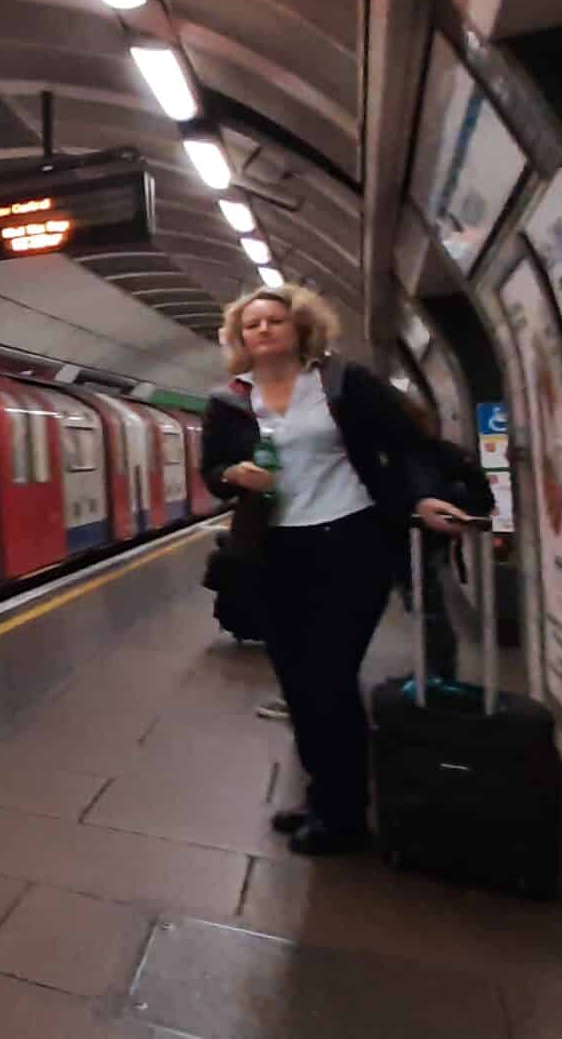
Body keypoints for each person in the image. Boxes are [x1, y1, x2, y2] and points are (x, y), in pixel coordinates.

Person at [200, 286, 468, 856]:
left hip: (351, 541)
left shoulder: (344, 384)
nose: (264, 330)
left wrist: (421, 498)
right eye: (252, 325)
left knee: (329, 678)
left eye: (276, 320)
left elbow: (411, 445)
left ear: (301, 328)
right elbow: (212, 472)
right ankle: (325, 795)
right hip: (274, 551)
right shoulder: (228, 401)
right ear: (239, 338)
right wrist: (233, 475)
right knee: (298, 683)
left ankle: (345, 815)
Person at [397, 394, 495, 682]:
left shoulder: (430, 456)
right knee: (424, 608)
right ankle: (435, 675)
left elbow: (480, 497)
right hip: (415, 543)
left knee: (426, 610)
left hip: (420, 543)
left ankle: (438, 677)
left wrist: (438, 504)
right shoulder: (439, 453)